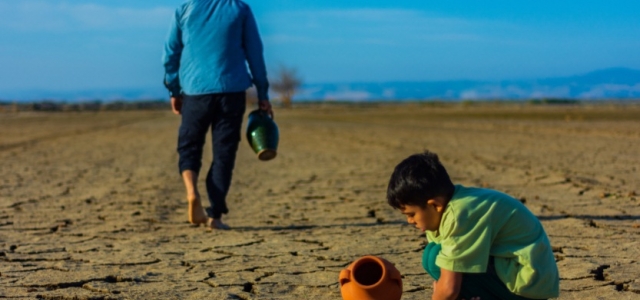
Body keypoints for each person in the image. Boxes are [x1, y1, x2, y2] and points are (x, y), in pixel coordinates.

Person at [386, 151, 560, 300]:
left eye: (411, 214)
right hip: (515, 271)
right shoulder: (450, 206)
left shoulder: (459, 214)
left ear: (434, 205)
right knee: (433, 254)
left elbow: (448, 289)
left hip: (527, 284)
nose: (410, 221)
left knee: (434, 259)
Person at [162, 0, 272, 230]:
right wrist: (262, 92)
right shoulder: (240, 9)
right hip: (231, 91)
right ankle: (215, 216)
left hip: (195, 90)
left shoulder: (186, 9)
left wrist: (174, 89)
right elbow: (255, 53)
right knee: (224, 152)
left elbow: (171, 52)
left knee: (190, 145)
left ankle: (192, 193)